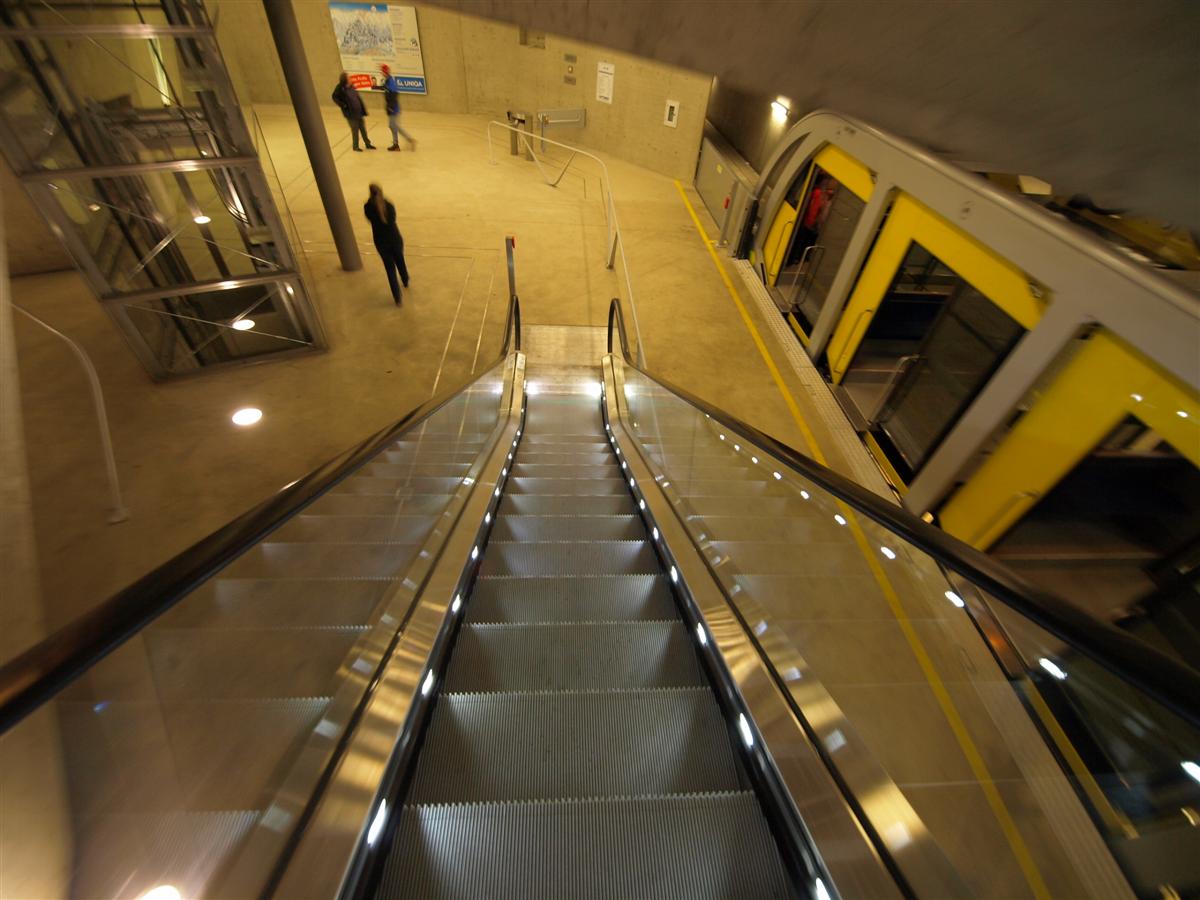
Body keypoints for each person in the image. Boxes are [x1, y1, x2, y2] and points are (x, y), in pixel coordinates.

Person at [364, 183, 409, 305]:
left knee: (390, 269)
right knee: (400, 260)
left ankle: (397, 298)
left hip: (381, 242)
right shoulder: (388, 205)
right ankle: (405, 279)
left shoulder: (368, 207)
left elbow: (369, 219)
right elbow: (393, 219)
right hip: (394, 238)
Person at [332, 72, 374, 151]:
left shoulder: (352, 86)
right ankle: (355, 147)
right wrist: (343, 105)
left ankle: (368, 144)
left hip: (359, 112)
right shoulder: (340, 88)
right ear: (345, 80)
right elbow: (334, 97)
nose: (351, 79)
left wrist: (362, 108)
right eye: (349, 78)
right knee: (355, 130)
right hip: (350, 114)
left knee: (363, 129)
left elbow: (357, 98)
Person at [380, 64, 417, 151]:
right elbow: (386, 91)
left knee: (394, 126)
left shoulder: (391, 82)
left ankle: (410, 140)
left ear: (385, 72)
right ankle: (396, 144)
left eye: (382, 71)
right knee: (392, 126)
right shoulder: (387, 81)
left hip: (393, 108)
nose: (382, 73)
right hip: (390, 107)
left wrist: (391, 107)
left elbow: (394, 95)